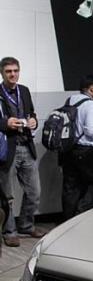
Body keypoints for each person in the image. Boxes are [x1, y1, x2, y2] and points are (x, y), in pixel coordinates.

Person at [0, 57, 44, 247]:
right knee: (7, 195)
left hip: (26, 145)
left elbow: (32, 112)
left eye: (15, 70)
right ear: (2, 73)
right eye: (9, 71)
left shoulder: (23, 91)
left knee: (34, 191)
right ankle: (10, 231)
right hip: (7, 149)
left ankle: (26, 224)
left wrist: (34, 120)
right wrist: (5, 123)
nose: (13, 74)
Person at [61, 75, 93, 220]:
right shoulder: (91, 105)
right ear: (91, 89)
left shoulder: (70, 100)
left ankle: (68, 220)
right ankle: (80, 215)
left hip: (69, 150)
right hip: (87, 152)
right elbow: (91, 130)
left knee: (71, 187)